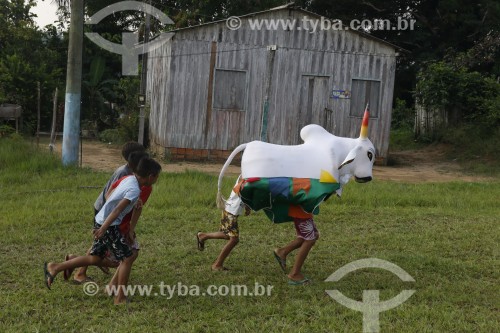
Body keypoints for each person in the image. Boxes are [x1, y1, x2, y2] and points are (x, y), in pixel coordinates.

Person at [43, 157, 162, 305]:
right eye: (157, 176)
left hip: (101, 220)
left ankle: (56, 267)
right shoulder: (134, 189)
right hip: (109, 225)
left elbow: (111, 197)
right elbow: (118, 210)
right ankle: (120, 298)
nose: (157, 179)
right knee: (127, 258)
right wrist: (104, 228)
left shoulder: (130, 179)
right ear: (150, 176)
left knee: (95, 259)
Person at [70, 142, 146, 283]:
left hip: (111, 213)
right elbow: (110, 196)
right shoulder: (124, 173)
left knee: (102, 245)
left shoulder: (132, 174)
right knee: (104, 244)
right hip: (104, 211)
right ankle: (80, 271)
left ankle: (78, 262)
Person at [196, 176, 251, 271]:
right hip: (231, 211)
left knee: (227, 236)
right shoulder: (245, 176)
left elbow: (244, 193)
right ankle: (217, 265)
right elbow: (242, 190)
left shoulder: (248, 175)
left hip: (230, 209)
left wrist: (247, 206)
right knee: (234, 240)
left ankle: (203, 236)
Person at [272, 216, 319, 285]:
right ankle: (294, 274)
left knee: (315, 234)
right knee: (310, 239)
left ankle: (283, 251)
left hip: (303, 211)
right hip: (300, 211)